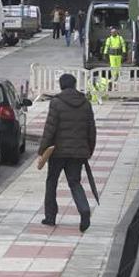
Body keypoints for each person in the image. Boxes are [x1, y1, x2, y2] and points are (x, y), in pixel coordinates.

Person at [38, 74, 96, 232]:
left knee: (52, 182)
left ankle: (50, 217)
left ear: (61, 85)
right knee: (75, 182)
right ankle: (84, 210)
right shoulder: (85, 103)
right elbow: (92, 130)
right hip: (78, 153)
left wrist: (42, 150)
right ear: (75, 84)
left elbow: (50, 129)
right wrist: (89, 150)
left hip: (57, 152)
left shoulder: (56, 103)